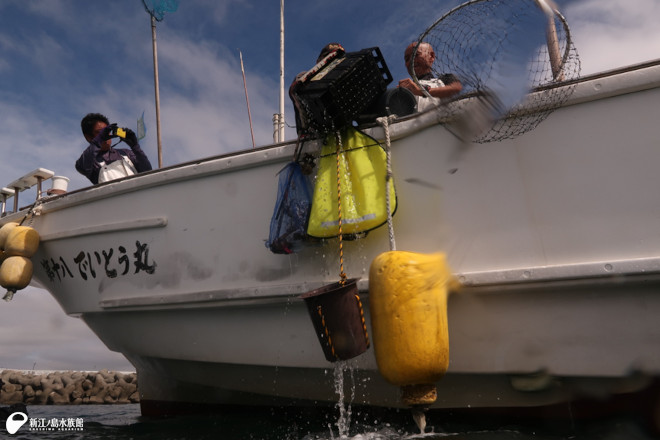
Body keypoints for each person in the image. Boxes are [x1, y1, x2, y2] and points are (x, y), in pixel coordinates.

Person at [75, 113, 153, 184]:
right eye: (100, 133)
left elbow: (147, 172)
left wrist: (135, 147)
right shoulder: (90, 161)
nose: (106, 135)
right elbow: (81, 167)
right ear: (88, 137)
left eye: (107, 131)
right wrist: (98, 141)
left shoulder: (126, 153)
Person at [289, 43, 345, 137]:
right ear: (318, 61)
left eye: (338, 57)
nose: (333, 60)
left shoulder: (345, 80)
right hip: (312, 139)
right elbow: (295, 90)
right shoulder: (304, 77)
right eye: (329, 57)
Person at [398, 42, 462, 111]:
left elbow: (456, 88)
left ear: (431, 56)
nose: (411, 60)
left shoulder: (444, 80)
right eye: (407, 59)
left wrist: (422, 91)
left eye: (416, 55)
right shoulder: (405, 91)